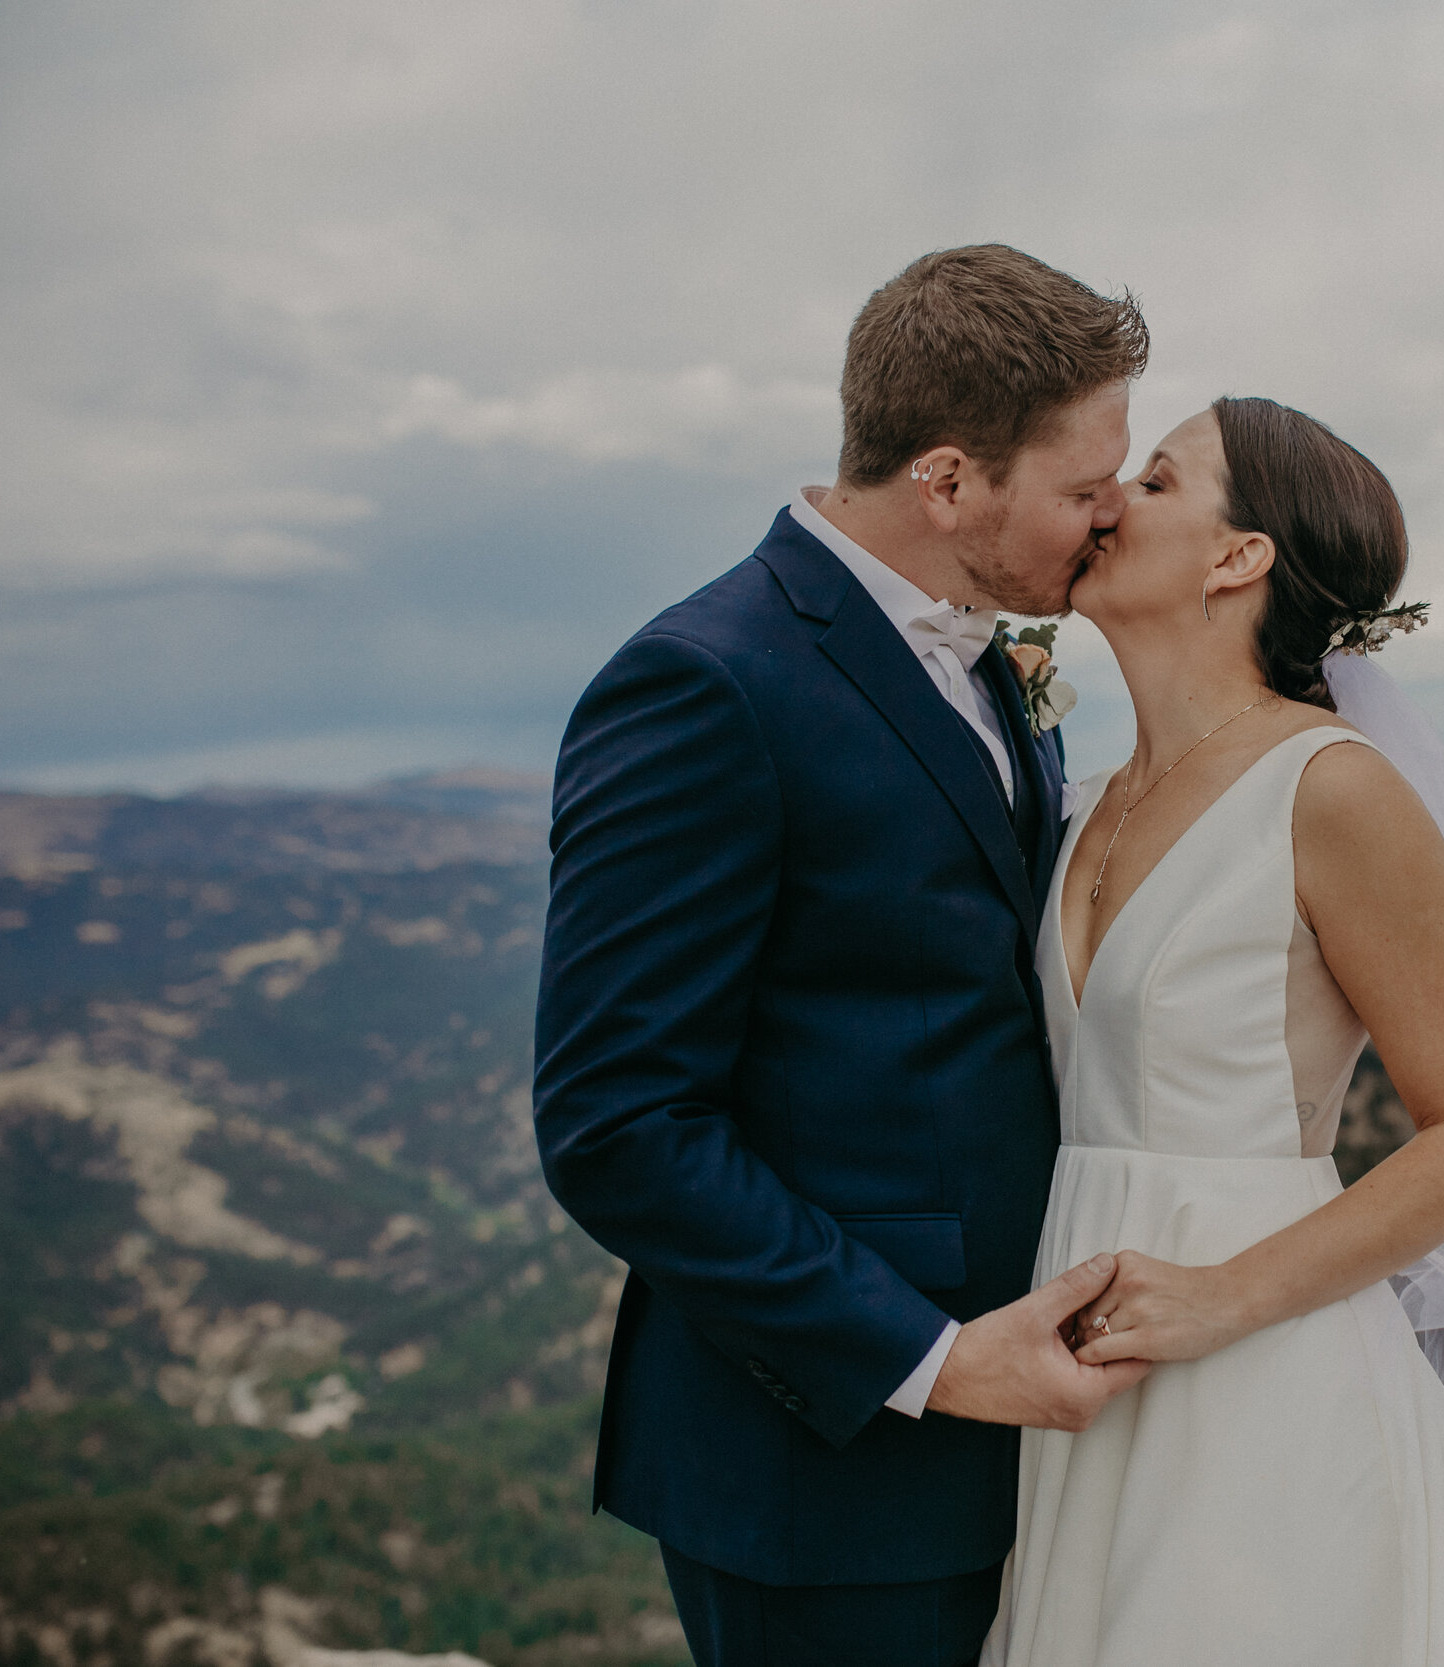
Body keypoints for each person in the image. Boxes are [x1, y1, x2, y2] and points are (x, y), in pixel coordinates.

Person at [533, 245, 1154, 1667]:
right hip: (826, 1466)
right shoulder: (706, 681)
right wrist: (932, 1359)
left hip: (1022, 1437)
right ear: (946, 481)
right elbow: (616, 1123)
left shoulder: (998, 653)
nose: (1112, 513)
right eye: (1082, 486)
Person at [981, 397, 1444, 1664]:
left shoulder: (1332, 787)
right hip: (1082, 1334)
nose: (1108, 498)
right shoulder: (1082, 802)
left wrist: (1216, 1300)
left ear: (1237, 556)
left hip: (1256, 1344)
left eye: (1157, 476)